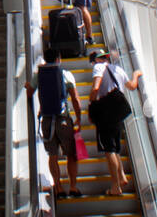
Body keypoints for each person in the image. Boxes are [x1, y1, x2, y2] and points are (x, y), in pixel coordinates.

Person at [25, 45, 83, 198]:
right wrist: (78, 118)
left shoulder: (39, 75)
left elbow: (30, 92)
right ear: (59, 59)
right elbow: (76, 99)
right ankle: (73, 187)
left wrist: (28, 87)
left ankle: (58, 188)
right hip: (64, 120)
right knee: (71, 155)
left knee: (53, 155)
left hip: (47, 121)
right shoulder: (65, 74)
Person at [88, 48, 142, 196]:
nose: (93, 65)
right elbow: (131, 86)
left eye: (92, 62)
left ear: (96, 60)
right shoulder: (118, 69)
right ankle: (122, 176)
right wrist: (136, 75)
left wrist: (91, 103)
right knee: (114, 145)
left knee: (109, 149)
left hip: (105, 111)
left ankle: (115, 187)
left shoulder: (98, 67)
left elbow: (96, 87)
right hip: (118, 111)